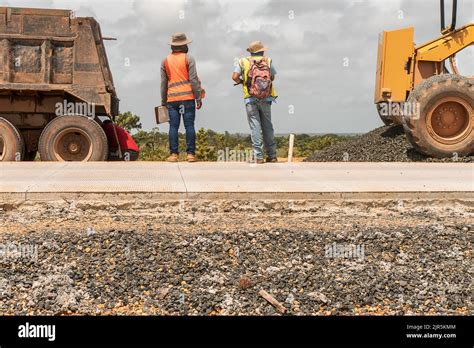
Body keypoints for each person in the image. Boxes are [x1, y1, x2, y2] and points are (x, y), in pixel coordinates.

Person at [232, 41, 278, 164]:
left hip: (250, 98)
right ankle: (272, 155)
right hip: (267, 98)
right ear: (262, 51)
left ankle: (258, 156)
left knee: (255, 126)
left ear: (251, 51)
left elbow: (234, 76)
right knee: (268, 126)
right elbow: (272, 76)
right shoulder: (268, 60)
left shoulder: (243, 61)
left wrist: (243, 81)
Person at [161, 32, 202, 162]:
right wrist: (198, 97)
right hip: (188, 98)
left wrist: (163, 101)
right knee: (189, 126)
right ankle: (190, 154)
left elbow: (163, 83)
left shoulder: (165, 61)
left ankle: (173, 155)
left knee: (173, 126)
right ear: (184, 45)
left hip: (172, 99)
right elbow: (193, 79)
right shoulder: (189, 59)